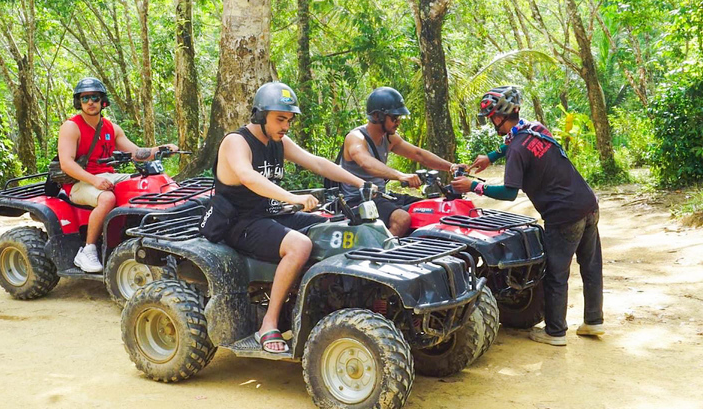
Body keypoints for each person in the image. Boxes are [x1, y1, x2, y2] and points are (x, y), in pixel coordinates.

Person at [215, 82, 366, 353]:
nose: (285, 126)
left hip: (269, 216)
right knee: (300, 245)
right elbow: (248, 177)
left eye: (289, 120)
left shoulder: (278, 142)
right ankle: (269, 324)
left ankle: (323, 303)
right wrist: (293, 198)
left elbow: (316, 162)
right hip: (239, 223)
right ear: (260, 116)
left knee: (332, 227)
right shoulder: (236, 142)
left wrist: (359, 182)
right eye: (279, 119)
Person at [452, 85, 603, 346]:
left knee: (556, 273)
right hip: (587, 203)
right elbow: (514, 140)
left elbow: (510, 192)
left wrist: (474, 186)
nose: (492, 124)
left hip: (563, 215)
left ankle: (555, 332)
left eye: (492, 119)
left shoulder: (517, 150)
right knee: (590, 266)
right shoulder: (535, 128)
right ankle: (593, 320)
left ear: (501, 115)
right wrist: (489, 156)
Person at [57, 77, 178, 273]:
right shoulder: (71, 127)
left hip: (107, 175)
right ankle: (88, 250)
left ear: (102, 101)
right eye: (85, 98)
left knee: (145, 183)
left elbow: (137, 153)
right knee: (107, 198)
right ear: (78, 101)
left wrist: (161, 149)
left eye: (94, 97)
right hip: (79, 182)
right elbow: (67, 164)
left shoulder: (111, 128)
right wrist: (94, 180)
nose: (90, 102)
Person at [339, 86, 457, 237]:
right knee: (402, 219)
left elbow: (419, 154)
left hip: (381, 196)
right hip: (357, 200)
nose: (398, 122)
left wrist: (451, 167)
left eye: (399, 117)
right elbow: (365, 162)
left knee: (430, 209)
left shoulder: (389, 138)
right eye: (394, 118)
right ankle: (381, 257)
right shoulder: (356, 138)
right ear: (377, 116)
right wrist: (400, 175)